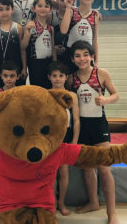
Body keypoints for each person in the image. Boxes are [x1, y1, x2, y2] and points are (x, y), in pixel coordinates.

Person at [66, 40, 119, 224]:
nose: (82, 59)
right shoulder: (71, 79)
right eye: (78, 56)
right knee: (87, 168)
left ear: (92, 56)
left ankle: (112, 213)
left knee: (104, 169)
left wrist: (106, 100)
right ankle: (94, 202)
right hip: (81, 127)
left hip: (99, 127)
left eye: (85, 54)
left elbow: (116, 95)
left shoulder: (101, 73)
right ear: (73, 59)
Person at [47, 61, 80, 216]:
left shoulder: (72, 95)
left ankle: (62, 203)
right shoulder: (46, 94)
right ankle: (52, 202)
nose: (58, 79)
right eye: (54, 76)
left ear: (66, 77)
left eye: (61, 76)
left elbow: (76, 120)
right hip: (51, 137)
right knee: (52, 171)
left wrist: (74, 141)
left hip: (66, 135)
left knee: (64, 171)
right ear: (49, 77)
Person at [61, 0, 100, 68]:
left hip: (86, 56)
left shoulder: (95, 15)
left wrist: (96, 60)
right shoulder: (72, 11)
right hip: (70, 54)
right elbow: (63, 30)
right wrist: (67, 7)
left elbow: (95, 40)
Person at [0, 0, 26, 89]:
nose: (4, 12)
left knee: (18, 94)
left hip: (16, 66)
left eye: (7, 9)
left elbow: (22, 50)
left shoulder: (18, 28)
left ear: (12, 10)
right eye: (1, 9)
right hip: (0, 67)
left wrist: (24, 68)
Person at [21, 0, 56, 88]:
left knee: (49, 89)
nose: (43, 8)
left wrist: (55, 64)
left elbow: (53, 48)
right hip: (34, 64)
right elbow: (23, 48)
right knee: (37, 90)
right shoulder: (30, 26)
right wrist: (24, 67)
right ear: (33, 8)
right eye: (40, 6)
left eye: (46, 6)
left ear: (50, 10)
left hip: (49, 63)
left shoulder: (50, 28)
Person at [51, 0, 77, 70]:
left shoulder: (77, 15)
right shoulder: (50, 16)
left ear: (74, 1)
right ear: (57, 0)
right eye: (62, 0)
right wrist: (53, 48)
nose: (65, 3)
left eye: (69, 0)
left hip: (72, 57)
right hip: (55, 57)